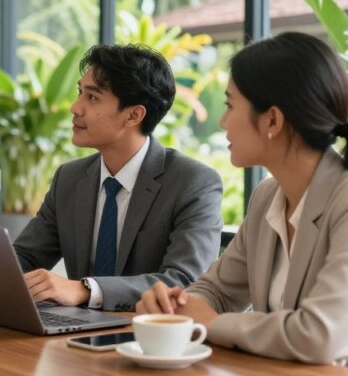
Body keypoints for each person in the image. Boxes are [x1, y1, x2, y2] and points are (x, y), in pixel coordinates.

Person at [136, 32, 348, 376]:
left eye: (230, 105)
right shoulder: (267, 198)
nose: (222, 122)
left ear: (272, 120)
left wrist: (211, 324)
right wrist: (178, 305)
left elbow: (322, 337)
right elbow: (218, 289)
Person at [13, 44, 223, 312]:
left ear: (134, 115)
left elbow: (182, 282)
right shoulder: (70, 177)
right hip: (76, 332)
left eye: (92, 98)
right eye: (80, 92)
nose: (75, 108)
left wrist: (85, 289)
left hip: (148, 338)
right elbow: (26, 256)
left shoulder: (193, 183)